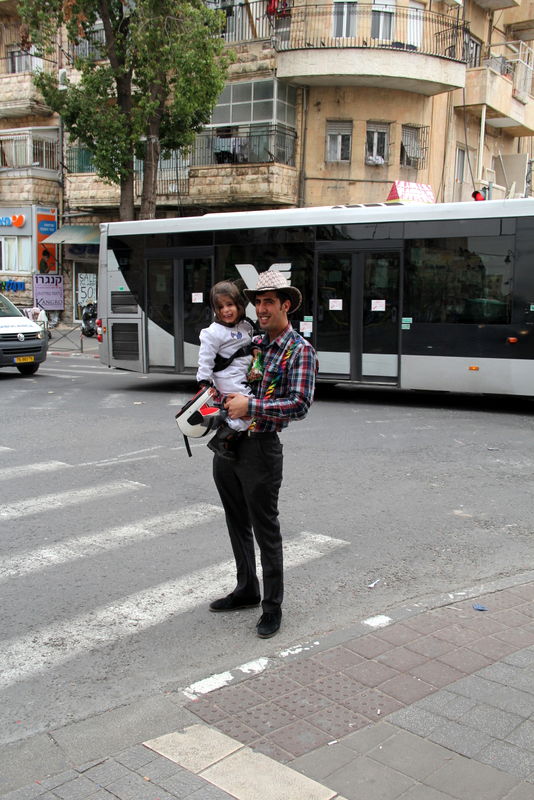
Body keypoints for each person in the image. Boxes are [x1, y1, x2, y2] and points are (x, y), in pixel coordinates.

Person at [209, 270, 318, 639]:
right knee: (235, 520)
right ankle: (246, 589)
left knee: (265, 529)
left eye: (268, 302)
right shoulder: (251, 341)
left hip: (261, 448)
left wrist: (251, 406)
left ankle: (272, 607)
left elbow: (299, 404)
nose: (261, 309)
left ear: (286, 305)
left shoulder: (299, 350)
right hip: (228, 443)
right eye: (257, 302)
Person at [197, 280, 257, 459]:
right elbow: (205, 359)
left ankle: (224, 425)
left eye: (229, 304)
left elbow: (252, 342)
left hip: (242, 377)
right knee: (248, 409)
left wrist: (255, 349)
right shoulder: (213, 332)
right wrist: (204, 382)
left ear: (239, 304)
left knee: (248, 410)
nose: (226, 310)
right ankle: (220, 440)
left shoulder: (246, 325)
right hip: (228, 379)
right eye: (220, 307)